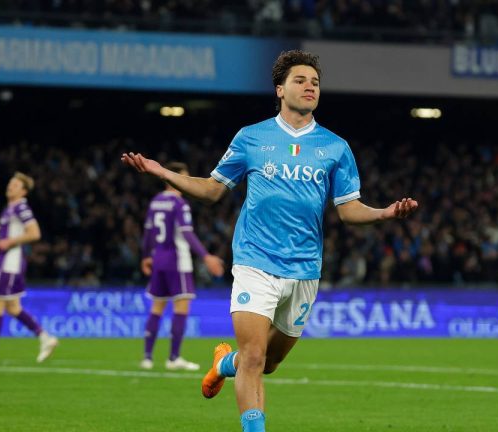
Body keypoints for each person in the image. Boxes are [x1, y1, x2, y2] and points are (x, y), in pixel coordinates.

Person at [121, 50, 418, 432]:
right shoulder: (251, 137)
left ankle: (222, 365)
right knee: (255, 357)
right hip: (255, 261)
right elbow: (212, 190)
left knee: (270, 362)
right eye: (300, 80)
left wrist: (385, 213)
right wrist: (163, 172)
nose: (310, 86)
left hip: (305, 268)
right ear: (279, 89)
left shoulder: (335, 147)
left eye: (315, 82)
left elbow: (348, 209)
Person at [139, 162, 225, 371]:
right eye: (185, 178)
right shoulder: (180, 204)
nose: (187, 182)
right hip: (178, 262)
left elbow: (149, 232)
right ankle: (174, 358)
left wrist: (145, 256)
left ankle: (147, 358)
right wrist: (206, 256)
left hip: (158, 260)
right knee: (181, 307)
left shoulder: (156, 202)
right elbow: (186, 233)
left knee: (157, 308)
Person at [0, 172, 59, 364]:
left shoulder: (21, 207)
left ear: (23, 191)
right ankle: (45, 338)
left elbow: (34, 233)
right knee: (13, 307)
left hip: (10, 263)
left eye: (15, 184)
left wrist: (9, 242)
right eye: (10, 183)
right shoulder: (10, 208)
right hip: (8, 262)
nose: (10, 186)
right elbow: (14, 231)